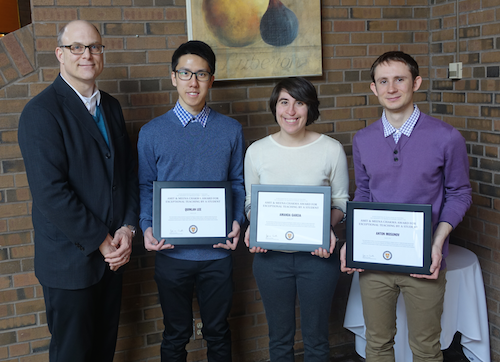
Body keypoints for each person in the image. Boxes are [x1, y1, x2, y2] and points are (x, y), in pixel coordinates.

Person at [17, 20, 139, 362]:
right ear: (60, 54)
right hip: (71, 264)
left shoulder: (111, 107)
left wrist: (128, 228)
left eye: (95, 47)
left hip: (113, 259)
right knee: (73, 355)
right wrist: (104, 242)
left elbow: (127, 173)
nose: (87, 54)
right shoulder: (41, 113)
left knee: (103, 352)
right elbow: (51, 194)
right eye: (77, 47)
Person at [340, 51, 472, 362]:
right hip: (375, 260)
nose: (391, 88)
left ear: (416, 82)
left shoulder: (446, 137)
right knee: (378, 345)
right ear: (374, 89)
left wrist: (438, 242)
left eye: (399, 79)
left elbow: (459, 193)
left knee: (426, 348)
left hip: (425, 257)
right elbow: (365, 193)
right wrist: (353, 241)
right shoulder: (363, 139)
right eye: (383, 81)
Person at [137, 40, 245, 362]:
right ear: (174, 78)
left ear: (212, 79)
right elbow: (145, 186)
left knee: (218, 331)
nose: (193, 82)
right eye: (185, 73)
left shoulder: (231, 130)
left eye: (201, 74)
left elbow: (237, 182)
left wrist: (237, 219)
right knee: (175, 333)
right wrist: (146, 226)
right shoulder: (152, 132)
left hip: (217, 252)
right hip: (171, 252)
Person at [243, 77, 349, 362]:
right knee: (279, 340)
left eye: (299, 102)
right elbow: (252, 203)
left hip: (317, 257)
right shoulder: (256, 151)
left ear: (310, 108)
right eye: (284, 102)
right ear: (275, 107)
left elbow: (341, 201)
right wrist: (256, 225)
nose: (291, 111)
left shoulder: (331, 149)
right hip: (270, 259)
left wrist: (326, 226)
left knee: (316, 341)